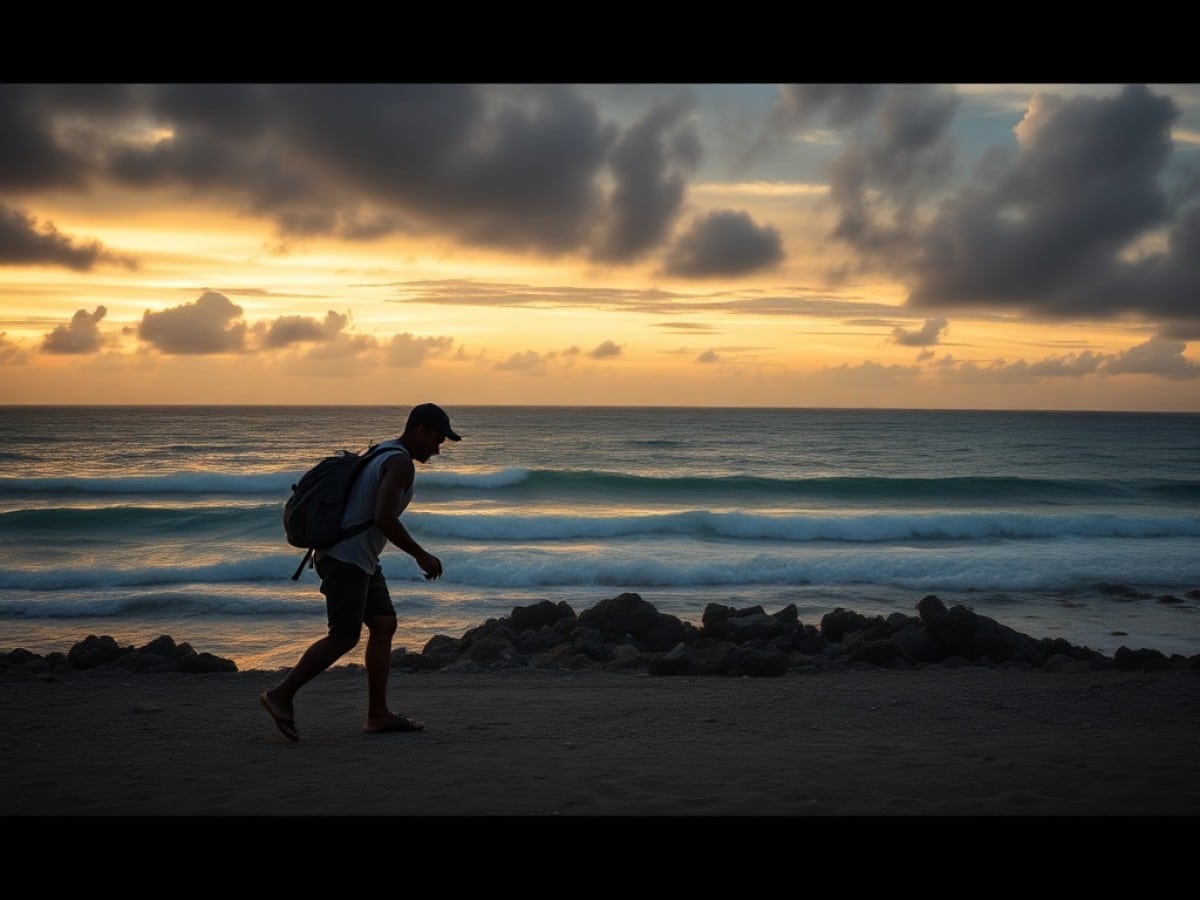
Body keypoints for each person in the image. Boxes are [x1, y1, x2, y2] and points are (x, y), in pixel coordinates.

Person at [260, 402, 462, 741]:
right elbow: (384, 517)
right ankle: (280, 694)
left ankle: (378, 714)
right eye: (438, 440)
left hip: (359, 557)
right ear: (420, 431)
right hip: (346, 557)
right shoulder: (399, 464)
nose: (438, 449)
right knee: (344, 635)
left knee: (384, 624)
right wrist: (420, 554)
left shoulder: (383, 450)